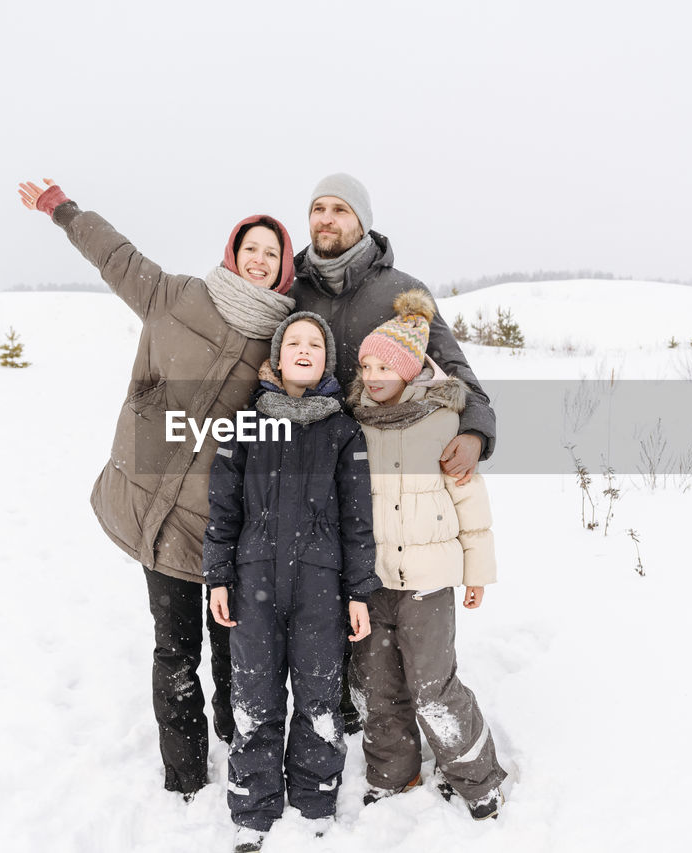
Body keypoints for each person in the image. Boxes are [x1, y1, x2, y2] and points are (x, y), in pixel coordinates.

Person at [17, 178, 298, 800]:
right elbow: (116, 255)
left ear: (283, 269)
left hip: (226, 530)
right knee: (174, 651)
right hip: (159, 519)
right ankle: (185, 773)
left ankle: (237, 741)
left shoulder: (282, 339)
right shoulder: (175, 297)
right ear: (233, 252)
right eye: (250, 247)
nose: (259, 258)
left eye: (271, 253)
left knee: (231, 651)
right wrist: (63, 211)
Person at [290, 172, 499, 732]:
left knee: (386, 619)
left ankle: (395, 721)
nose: (326, 220)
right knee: (334, 609)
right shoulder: (293, 292)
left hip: (389, 485)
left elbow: (457, 375)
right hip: (315, 480)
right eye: (317, 209)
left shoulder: (400, 291)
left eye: (339, 209)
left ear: (362, 220)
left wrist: (475, 432)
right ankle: (354, 720)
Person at [204, 311, 380, 852]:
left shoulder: (343, 430)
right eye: (294, 342)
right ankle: (253, 807)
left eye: (316, 344)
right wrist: (217, 576)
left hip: (320, 588)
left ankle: (314, 798)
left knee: (319, 694)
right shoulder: (245, 423)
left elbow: (357, 518)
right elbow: (222, 507)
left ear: (328, 359)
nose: (304, 350)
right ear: (277, 356)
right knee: (254, 694)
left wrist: (358, 591)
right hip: (253, 581)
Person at [346, 290, 508, 821]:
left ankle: (477, 779)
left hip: (429, 582)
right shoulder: (354, 424)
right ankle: (394, 773)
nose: (372, 375)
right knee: (377, 685)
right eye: (365, 365)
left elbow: (470, 502)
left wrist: (476, 571)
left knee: (433, 686)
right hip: (371, 582)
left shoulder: (444, 422)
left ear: (411, 368)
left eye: (383, 366)